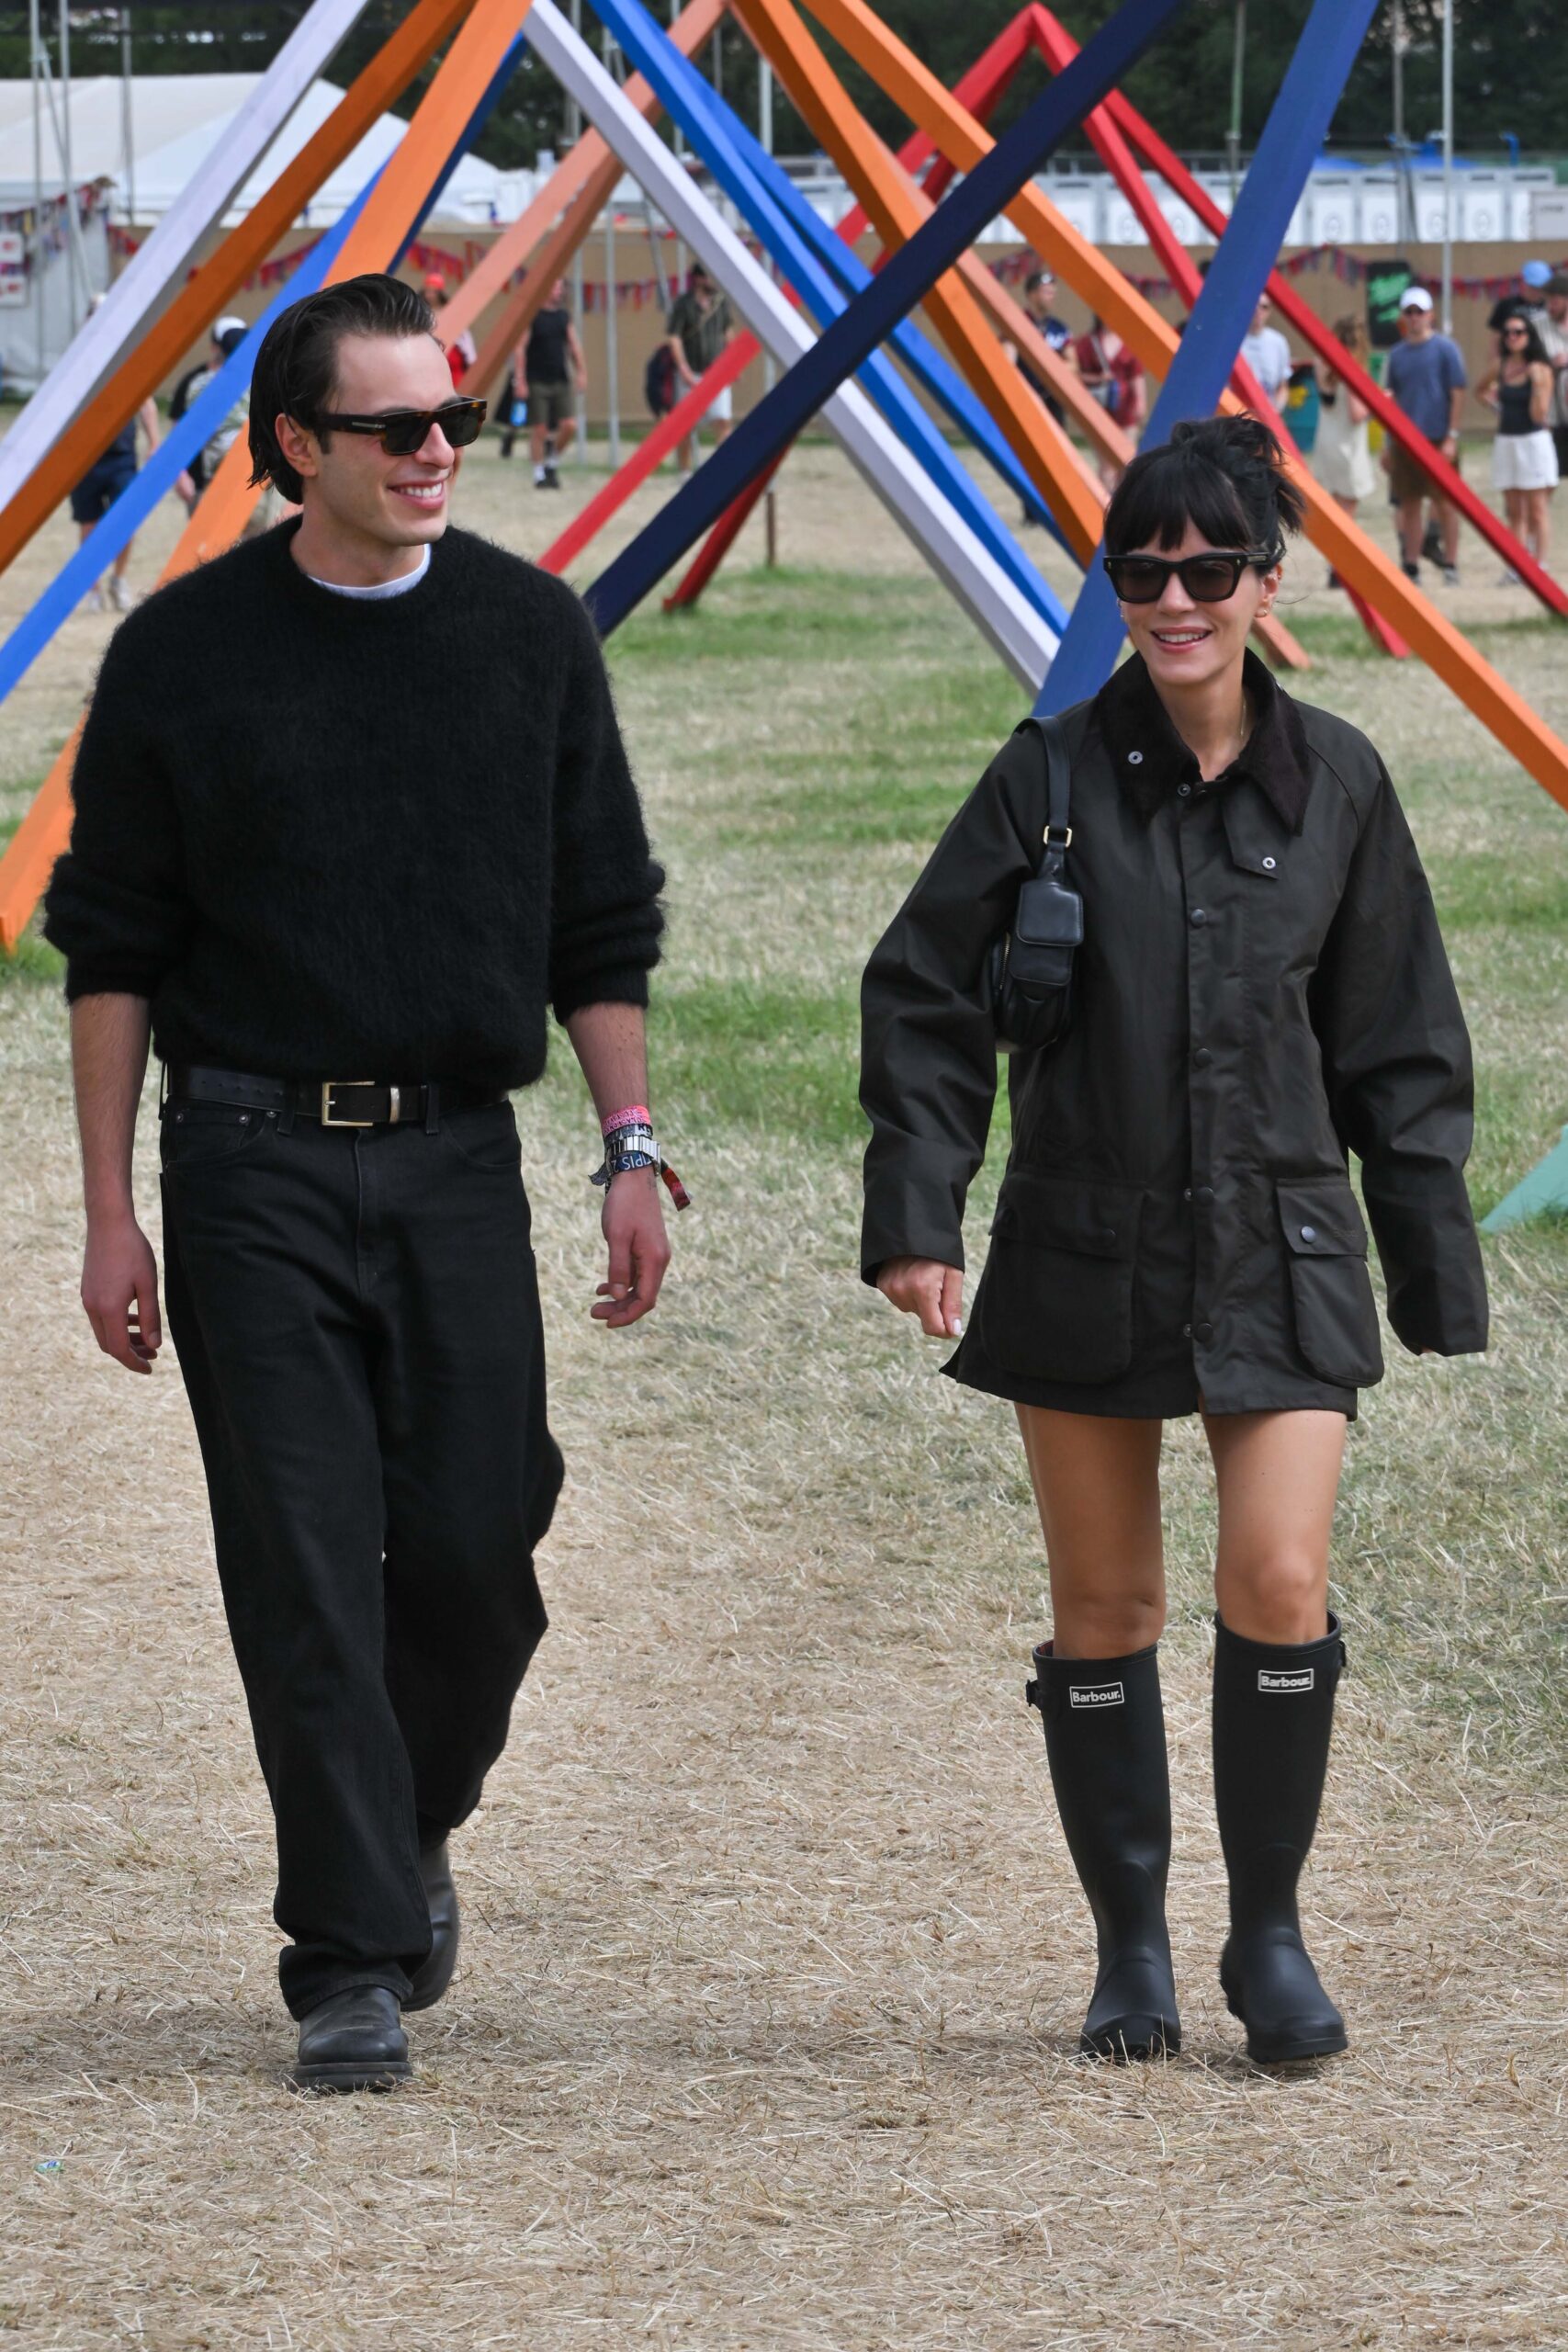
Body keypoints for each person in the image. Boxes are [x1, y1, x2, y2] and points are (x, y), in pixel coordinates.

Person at [42, 272, 672, 2095]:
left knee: (480, 1547)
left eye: (448, 420)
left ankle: (405, 1825)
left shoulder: (529, 634)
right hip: (247, 1164)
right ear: (293, 449)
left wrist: (629, 1143)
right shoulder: (184, 653)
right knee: (305, 1564)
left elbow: (598, 916)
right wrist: (109, 1210)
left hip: (457, 1152)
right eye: (393, 428)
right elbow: (111, 948)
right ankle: (347, 1956)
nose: (434, 452)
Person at [859, 414, 1487, 2068]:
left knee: (1277, 1578)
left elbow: (1398, 1042)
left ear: (1270, 583)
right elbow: (921, 991)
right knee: (1105, 1604)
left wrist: (1429, 1268)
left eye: (1210, 569)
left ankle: (1265, 1935)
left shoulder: (1338, 782)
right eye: (1141, 571)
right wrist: (915, 1213)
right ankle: (1126, 1948)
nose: (1174, 599)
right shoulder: (1045, 776)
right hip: (1084, 1246)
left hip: (1281, 1251)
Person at [1383, 286, 1466, 586]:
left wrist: (1452, 436)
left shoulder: (1446, 349)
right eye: (1410, 312)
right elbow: (1391, 400)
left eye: (1419, 312)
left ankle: (1451, 564)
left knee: (1445, 504)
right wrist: (1389, 444)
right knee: (1410, 504)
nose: (1415, 317)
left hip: (1438, 437)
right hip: (1405, 441)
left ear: (1430, 314)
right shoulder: (1397, 354)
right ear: (1403, 317)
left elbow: (1457, 393)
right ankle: (1411, 565)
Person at [1476, 312, 1560, 580]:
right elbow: (1480, 390)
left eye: (1519, 332)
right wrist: (1497, 408)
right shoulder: (1500, 365)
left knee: (1537, 508)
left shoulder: (1541, 369)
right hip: (1507, 440)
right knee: (1514, 510)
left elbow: (1539, 414)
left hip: (1533, 441)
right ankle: (1517, 566)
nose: (1512, 337)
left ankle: (1540, 565)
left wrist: (1536, 385)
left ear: (1529, 336)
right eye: (1508, 332)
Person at [1313, 313, 1376, 586]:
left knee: (1336, 509)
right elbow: (1357, 414)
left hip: (1326, 441)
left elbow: (1328, 401)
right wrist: (1378, 402)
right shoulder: (1353, 368)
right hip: (1349, 447)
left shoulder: (1321, 362)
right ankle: (1338, 570)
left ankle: (1335, 566)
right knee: (1346, 514)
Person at [513, 277, 588, 489]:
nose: (558, 291)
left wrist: (581, 372)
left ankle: (551, 463)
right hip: (536, 380)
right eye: (554, 286)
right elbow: (520, 349)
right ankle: (539, 475)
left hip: (560, 379)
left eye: (560, 287)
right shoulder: (533, 315)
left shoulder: (563, 316)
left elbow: (574, 346)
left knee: (569, 425)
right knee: (540, 429)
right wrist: (520, 380)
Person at [169, 315, 249, 508]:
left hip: (247, 481)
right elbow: (179, 432)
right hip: (203, 482)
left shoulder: (255, 379)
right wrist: (180, 474)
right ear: (214, 347)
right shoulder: (195, 381)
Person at [664, 260, 734, 471]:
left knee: (723, 421)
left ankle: (723, 470)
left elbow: (727, 331)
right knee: (685, 426)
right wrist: (683, 369)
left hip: (717, 373)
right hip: (691, 374)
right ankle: (684, 472)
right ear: (698, 279)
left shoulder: (721, 303)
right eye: (709, 276)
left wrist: (733, 361)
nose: (714, 281)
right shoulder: (684, 304)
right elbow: (674, 337)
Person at [1071, 315, 1144, 490]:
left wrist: (1140, 402)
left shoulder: (1129, 343)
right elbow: (1074, 374)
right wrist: (1098, 378)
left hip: (1126, 412)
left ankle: (1121, 499)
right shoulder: (1087, 342)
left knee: (1127, 463)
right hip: (1099, 412)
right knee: (1107, 467)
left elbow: (1136, 375)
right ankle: (1106, 501)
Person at [1535, 273, 1568, 483]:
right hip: (1552, 419)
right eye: (1547, 300)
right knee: (1547, 480)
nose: (1550, 306)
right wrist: (1550, 364)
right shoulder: (1536, 327)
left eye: (1555, 300)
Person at [1239, 290, 1292, 415]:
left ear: (1270, 311)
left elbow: (1283, 386)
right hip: (1236, 413)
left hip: (1266, 415)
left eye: (1264, 307)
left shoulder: (1278, 342)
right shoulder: (1233, 340)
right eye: (1254, 305)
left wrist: (1275, 412)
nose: (1258, 311)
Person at [424, 272, 476, 386]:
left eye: (433, 291)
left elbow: (464, 338)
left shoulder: (451, 311)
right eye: (428, 291)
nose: (430, 295)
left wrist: (470, 358)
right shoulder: (423, 311)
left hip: (451, 357)